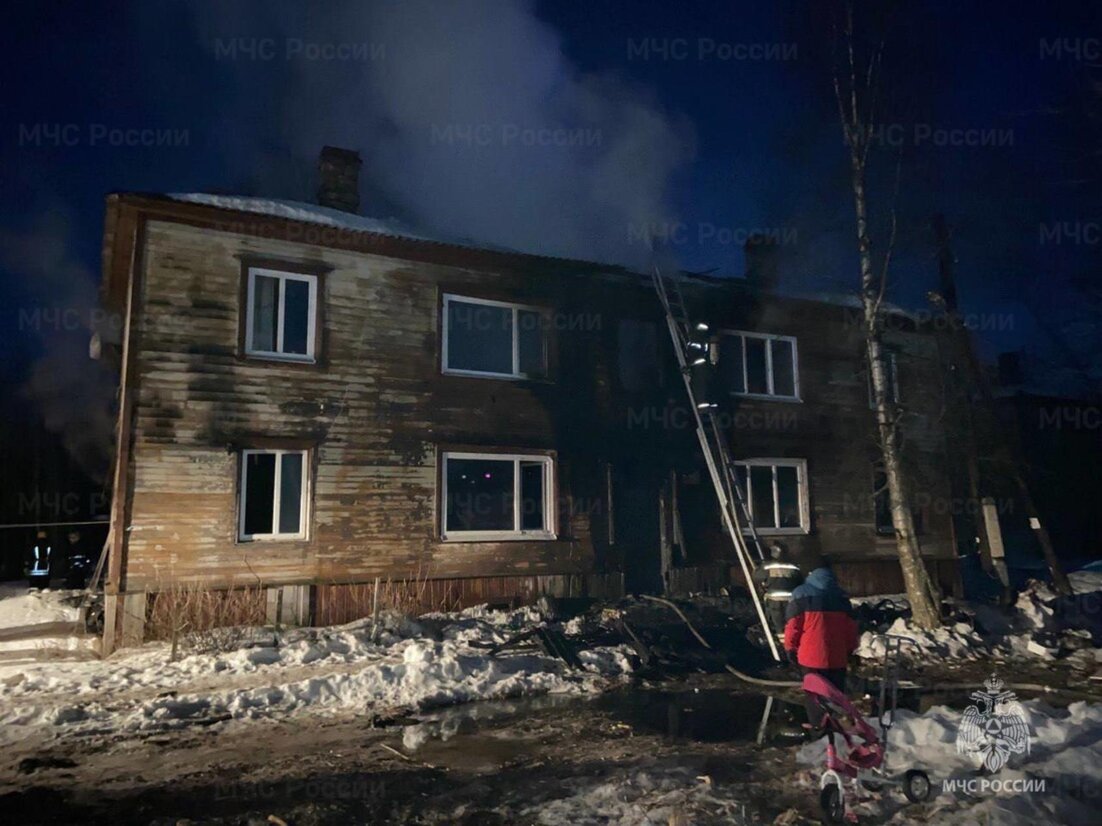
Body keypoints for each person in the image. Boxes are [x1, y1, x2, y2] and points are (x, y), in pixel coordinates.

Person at [783, 558, 860, 726]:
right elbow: (851, 629)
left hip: (811, 657)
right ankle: (836, 727)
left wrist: (790, 647)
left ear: (810, 574)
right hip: (837, 657)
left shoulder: (801, 594)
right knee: (836, 695)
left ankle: (819, 729)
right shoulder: (841, 597)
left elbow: (793, 626)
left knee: (815, 695)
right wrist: (850, 650)